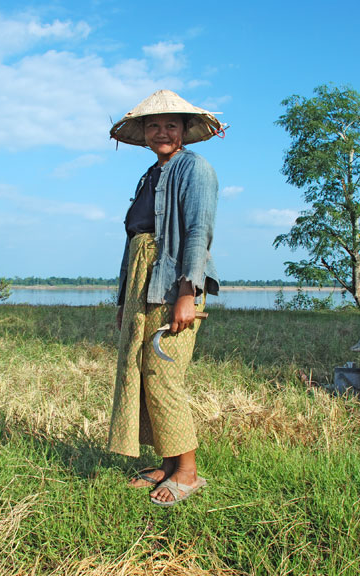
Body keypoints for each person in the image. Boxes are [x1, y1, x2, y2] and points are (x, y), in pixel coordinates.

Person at [106, 90, 223, 506]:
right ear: (143, 132)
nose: (162, 131)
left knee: (163, 373)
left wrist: (187, 293)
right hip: (141, 282)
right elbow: (134, 240)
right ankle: (168, 463)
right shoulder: (150, 175)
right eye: (153, 125)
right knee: (142, 368)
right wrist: (124, 302)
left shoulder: (196, 169)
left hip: (173, 282)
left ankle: (188, 473)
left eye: (171, 124)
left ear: (185, 130)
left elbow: (197, 233)